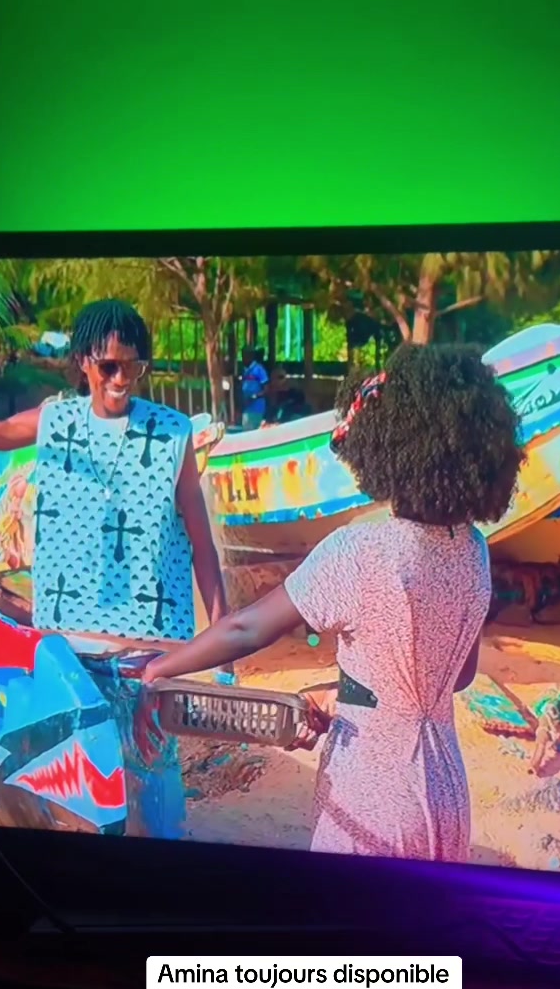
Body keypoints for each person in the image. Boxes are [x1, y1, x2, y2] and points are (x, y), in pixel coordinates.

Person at [142, 343, 525, 862]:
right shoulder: (474, 550)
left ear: (389, 450)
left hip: (371, 795)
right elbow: (455, 677)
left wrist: (160, 668)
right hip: (446, 792)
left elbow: (245, 629)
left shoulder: (361, 550)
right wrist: (346, 696)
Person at [0, 299, 227, 837]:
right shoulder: (55, 420)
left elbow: (201, 542)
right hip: (68, 655)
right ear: (84, 361)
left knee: (154, 805)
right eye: (109, 366)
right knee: (82, 804)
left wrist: (224, 636)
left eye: (133, 366)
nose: (121, 379)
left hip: (147, 658)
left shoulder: (172, 434)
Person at [239, 345, 268, 430]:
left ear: (250, 356)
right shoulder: (245, 370)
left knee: (251, 431)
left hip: (256, 408)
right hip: (246, 407)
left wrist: (254, 397)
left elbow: (266, 389)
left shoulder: (259, 369)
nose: (243, 359)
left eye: (244, 356)